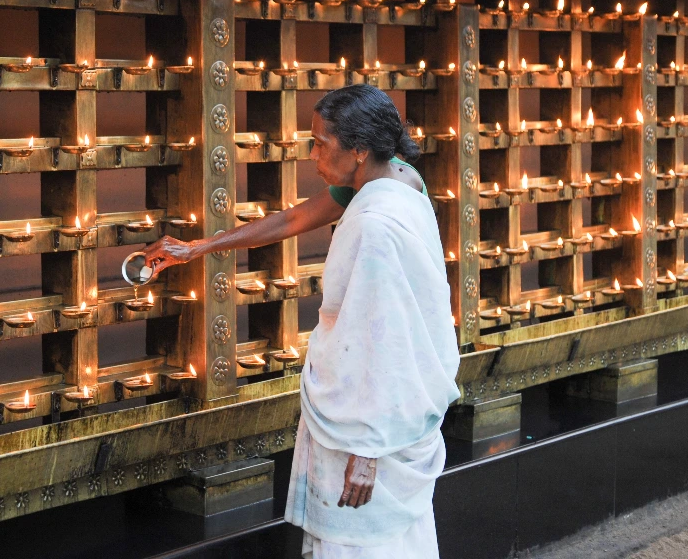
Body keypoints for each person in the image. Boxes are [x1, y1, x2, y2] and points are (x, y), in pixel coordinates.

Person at [143, 84, 460, 558]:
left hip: (368, 421)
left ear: (357, 150)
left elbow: (385, 338)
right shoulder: (397, 178)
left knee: (360, 542)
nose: (311, 155)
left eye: (320, 143)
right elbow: (293, 219)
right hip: (392, 408)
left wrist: (369, 448)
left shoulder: (377, 223)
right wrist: (198, 248)